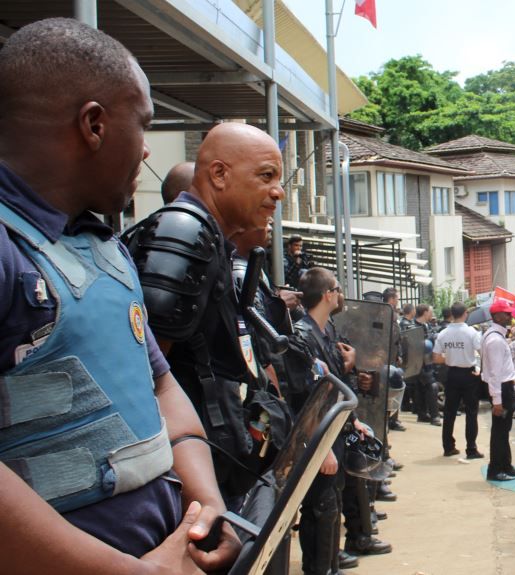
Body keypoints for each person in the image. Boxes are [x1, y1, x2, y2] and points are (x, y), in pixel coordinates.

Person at [0, 18, 237, 573]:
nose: (146, 150)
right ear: (94, 125)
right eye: (144, 124)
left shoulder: (101, 247)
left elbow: (160, 385)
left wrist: (207, 507)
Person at [129, 121, 289, 510]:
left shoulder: (213, 241)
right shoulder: (184, 233)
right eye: (266, 176)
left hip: (212, 463)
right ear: (219, 174)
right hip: (187, 480)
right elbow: (144, 377)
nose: (278, 192)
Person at [288, 268, 391, 564]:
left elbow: (336, 386)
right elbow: (305, 399)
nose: (340, 294)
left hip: (335, 430)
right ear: (327, 295)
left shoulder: (326, 331)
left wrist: (353, 420)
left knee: (332, 502)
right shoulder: (302, 337)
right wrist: (320, 448)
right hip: (318, 436)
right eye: (337, 288)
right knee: (320, 506)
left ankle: (331, 563)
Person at [482, 299, 515, 481]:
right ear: (498, 316)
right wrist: (497, 401)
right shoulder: (495, 339)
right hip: (501, 387)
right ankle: (495, 469)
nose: (510, 317)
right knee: (500, 431)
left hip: (505, 385)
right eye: (507, 314)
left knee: (504, 430)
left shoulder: (496, 336)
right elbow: (494, 373)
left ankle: (506, 465)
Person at [434, 302, 484, 458]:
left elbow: (436, 358)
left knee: (449, 412)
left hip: (452, 374)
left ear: (452, 314)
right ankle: (471, 449)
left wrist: (450, 358)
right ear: (465, 314)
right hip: (469, 374)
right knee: (471, 413)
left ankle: (448, 447)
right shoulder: (471, 332)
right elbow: (482, 352)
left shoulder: (443, 333)